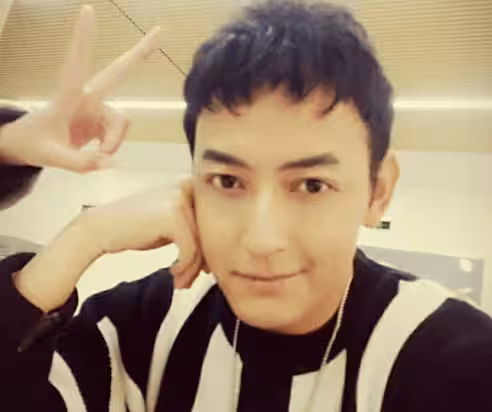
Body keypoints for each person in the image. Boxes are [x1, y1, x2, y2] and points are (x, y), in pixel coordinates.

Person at [1, 1, 491, 411]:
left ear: (378, 191)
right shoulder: (138, 327)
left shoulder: (453, 358)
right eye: (228, 181)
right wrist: (80, 238)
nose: (261, 240)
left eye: (312, 186)